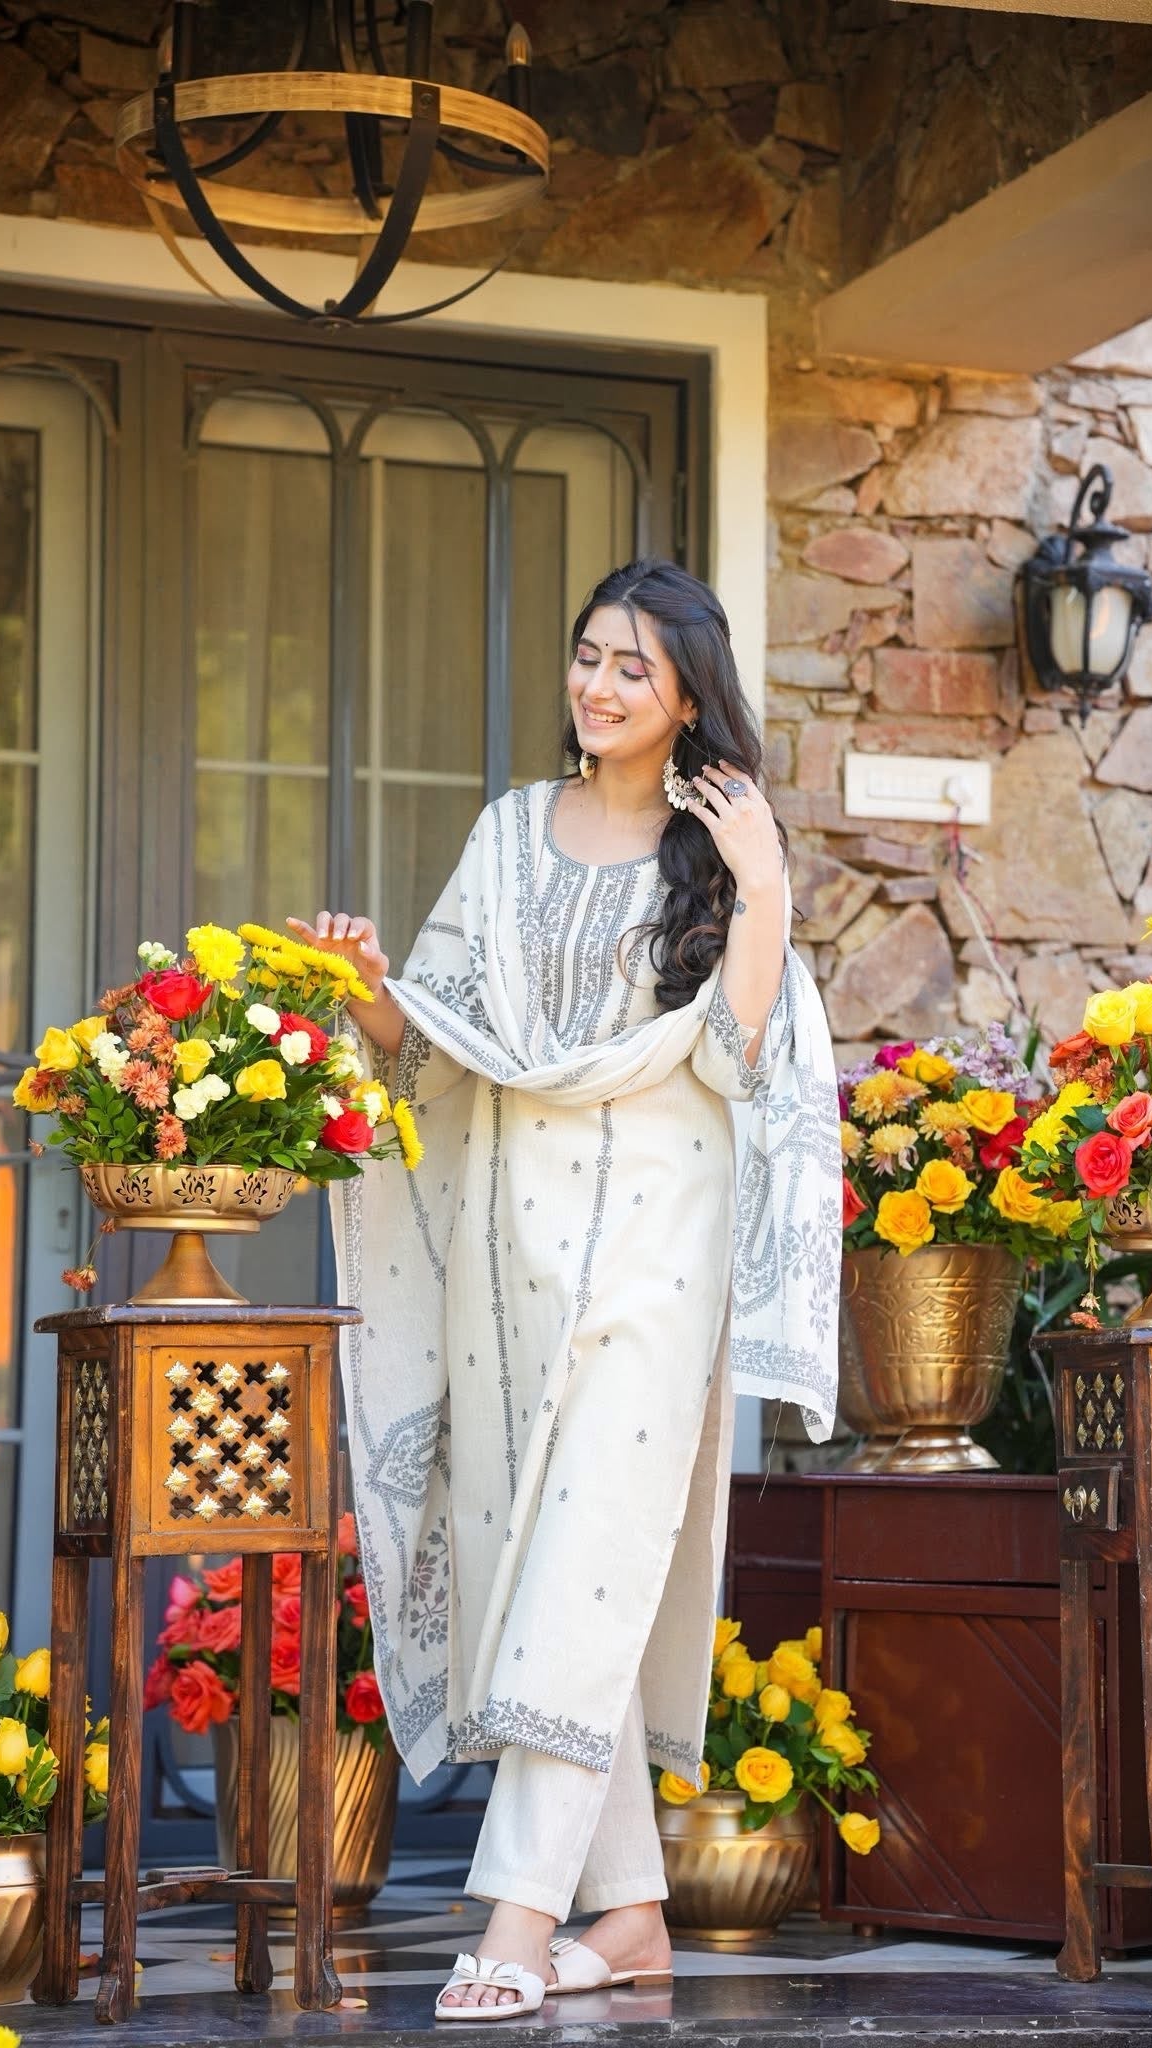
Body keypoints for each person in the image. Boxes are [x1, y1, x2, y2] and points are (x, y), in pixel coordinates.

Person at [288, 558, 839, 2019]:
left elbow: (746, 1054)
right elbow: (438, 1041)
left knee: (590, 1554)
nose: (597, 685)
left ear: (688, 698)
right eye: (589, 656)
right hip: (509, 1251)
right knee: (541, 1569)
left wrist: (766, 884)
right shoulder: (507, 831)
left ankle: (519, 1920)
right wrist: (366, 985)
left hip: (657, 1247)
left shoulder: (719, 851)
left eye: (632, 668)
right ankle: (633, 1920)